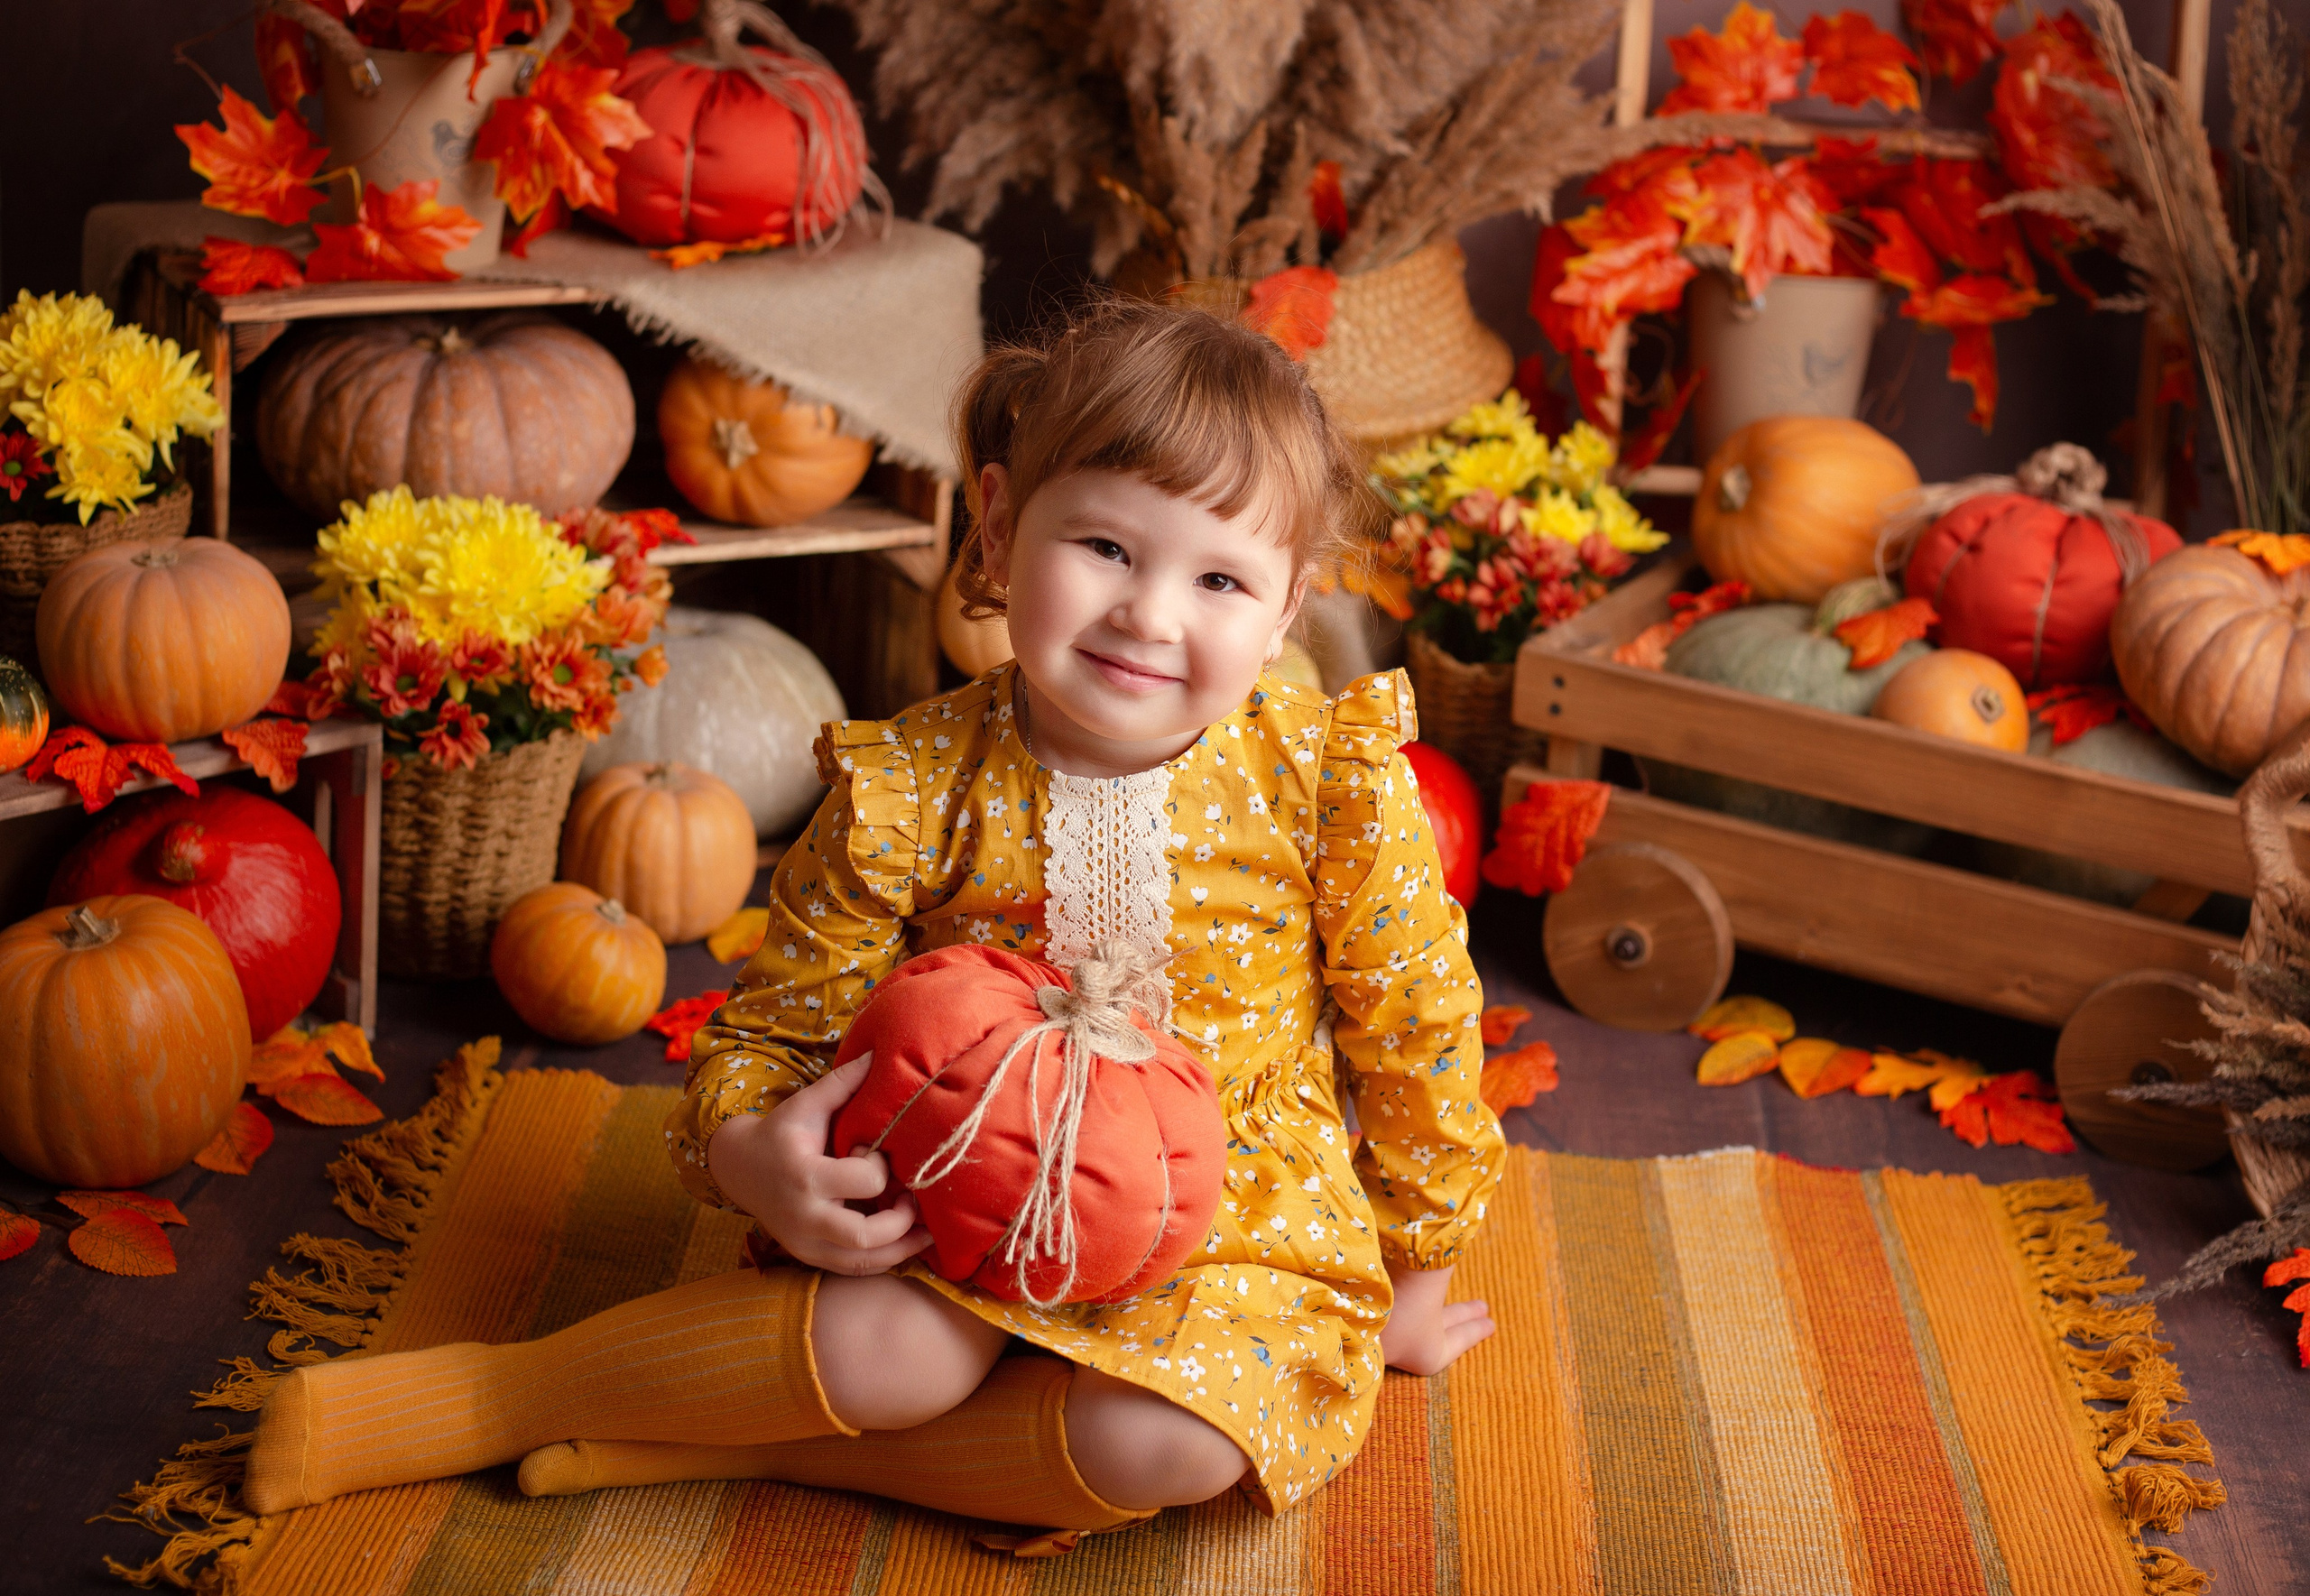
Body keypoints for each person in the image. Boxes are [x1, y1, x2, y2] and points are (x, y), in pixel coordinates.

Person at [243, 297, 1503, 1547]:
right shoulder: (915, 783)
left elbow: (1417, 1024)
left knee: (1166, 1438)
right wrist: (751, 1157)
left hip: (1235, 1200)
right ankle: (487, 1396)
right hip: (958, 1170)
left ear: (1284, 613)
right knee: (890, 1353)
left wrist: (1419, 1256)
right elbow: (780, 1022)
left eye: (1219, 576)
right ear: (1002, 528)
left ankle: (767, 1452)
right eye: (1106, 547)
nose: (1148, 613)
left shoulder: (1326, 776)